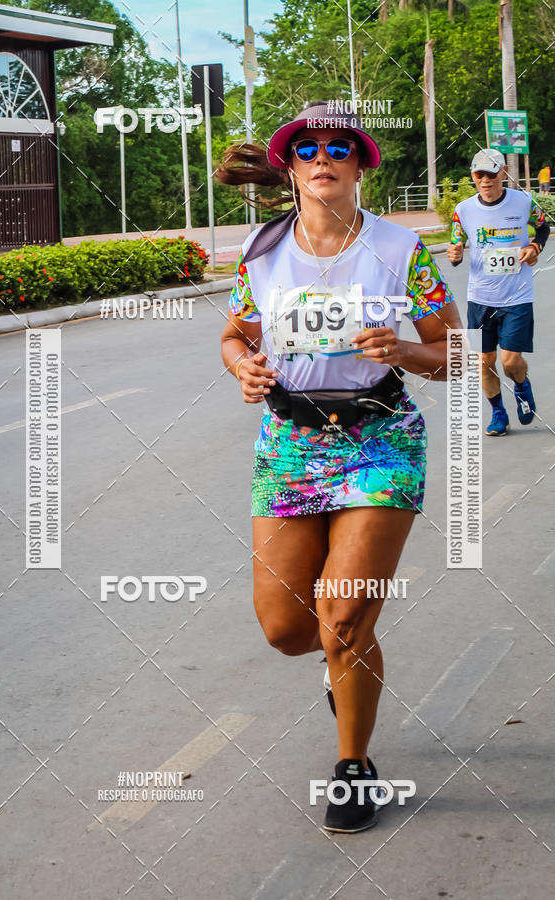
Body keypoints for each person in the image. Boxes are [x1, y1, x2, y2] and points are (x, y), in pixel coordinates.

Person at [218, 101, 462, 833]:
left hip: (379, 440)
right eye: (307, 148)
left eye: (338, 146)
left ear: (360, 165)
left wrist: (405, 350)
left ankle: (353, 766)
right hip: (291, 445)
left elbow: (455, 351)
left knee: (345, 616)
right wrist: (243, 367)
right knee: (288, 630)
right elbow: (235, 335)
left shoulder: (400, 250)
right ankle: (340, 668)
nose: (322, 157)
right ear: (290, 168)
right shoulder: (261, 251)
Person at [448, 148, 549, 435]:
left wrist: (535, 246)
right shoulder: (463, 210)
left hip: (517, 296)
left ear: (503, 173)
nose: (485, 180)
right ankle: (498, 414)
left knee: (510, 361)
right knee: (484, 361)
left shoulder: (524, 202)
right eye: (479, 174)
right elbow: (455, 248)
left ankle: (521, 386)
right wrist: (455, 254)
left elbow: (543, 227)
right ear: (473, 176)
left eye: (491, 173)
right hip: (480, 298)